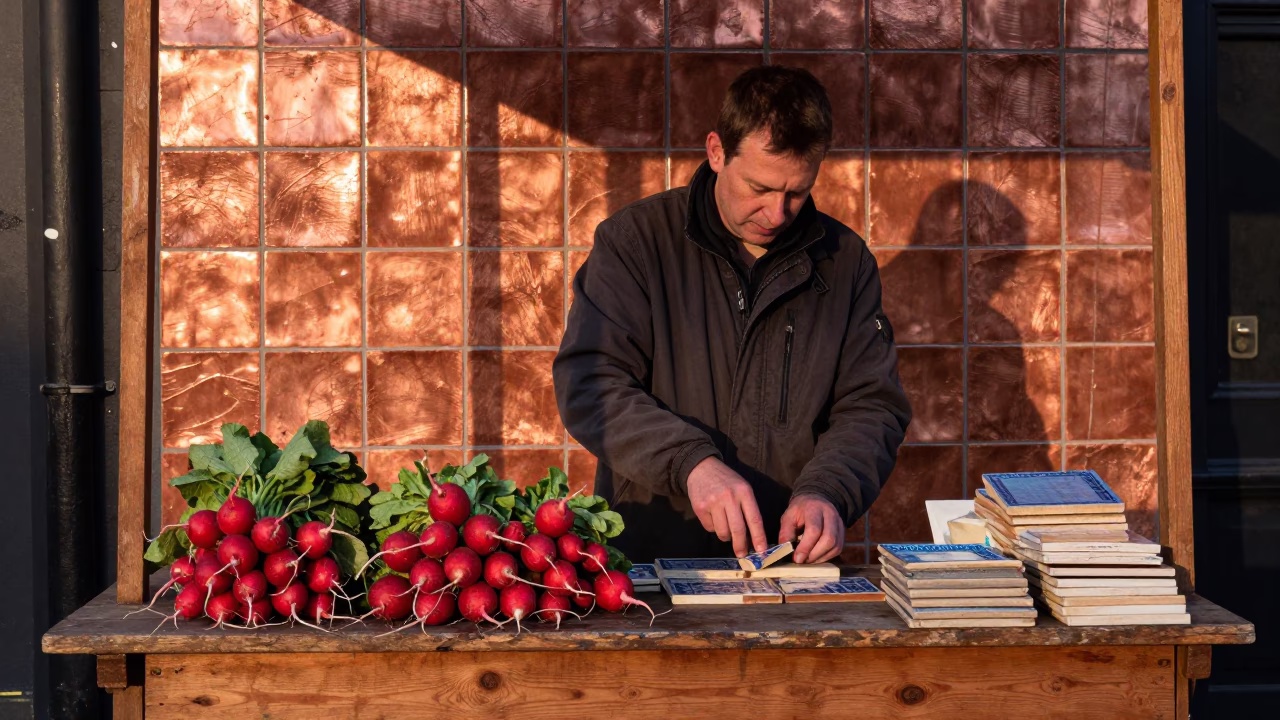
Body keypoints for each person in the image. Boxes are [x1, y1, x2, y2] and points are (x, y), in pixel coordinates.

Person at [553, 66, 911, 564]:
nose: (777, 213)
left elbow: (871, 406)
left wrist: (828, 490)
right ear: (717, 151)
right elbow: (591, 384)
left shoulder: (846, 262)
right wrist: (692, 464)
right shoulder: (635, 243)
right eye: (759, 188)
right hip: (647, 565)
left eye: (797, 192)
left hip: (788, 567)